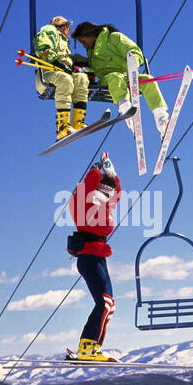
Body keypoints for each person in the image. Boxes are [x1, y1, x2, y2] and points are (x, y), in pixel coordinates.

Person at [71, 21, 169, 139]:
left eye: (83, 41)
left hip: (127, 75)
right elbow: (95, 69)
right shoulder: (91, 52)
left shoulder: (113, 38)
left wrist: (134, 63)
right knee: (114, 77)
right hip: (108, 80)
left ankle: (161, 119)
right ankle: (127, 111)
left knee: (148, 80)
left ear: (90, 33)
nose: (84, 45)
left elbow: (134, 51)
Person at [67, 152, 121, 362]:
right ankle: (88, 347)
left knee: (109, 304)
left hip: (97, 256)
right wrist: (95, 171)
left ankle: (92, 347)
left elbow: (117, 193)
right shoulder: (84, 201)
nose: (108, 194)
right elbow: (88, 187)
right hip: (89, 256)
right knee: (104, 302)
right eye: (104, 189)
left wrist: (110, 171)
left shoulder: (104, 203)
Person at [33, 16, 90, 140]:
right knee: (66, 80)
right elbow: (43, 48)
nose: (69, 30)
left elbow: (69, 61)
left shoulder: (64, 41)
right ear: (65, 27)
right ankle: (62, 127)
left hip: (61, 72)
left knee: (82, 78)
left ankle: (78, 122)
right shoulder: (50, 30)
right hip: (48, 73)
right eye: (68, 27)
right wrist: (56, 62)